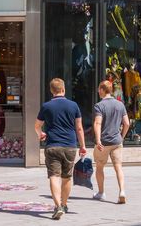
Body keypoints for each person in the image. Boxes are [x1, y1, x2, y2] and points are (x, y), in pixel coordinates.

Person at [35, 78, 86, 220]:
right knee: (67, 177)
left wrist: (41, 134)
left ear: (51, 91)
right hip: (70, 146)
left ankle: (57, 206)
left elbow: (37, 125)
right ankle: (64, 204)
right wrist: (82, 146)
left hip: (52, 145)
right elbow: (79, 128)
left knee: (54, 176)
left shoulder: (46, 106)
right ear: (63, 89)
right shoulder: (73, 105)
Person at [93, 80, 130, 204]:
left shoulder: (99, 105)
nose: (98, 91)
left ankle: (101, 192)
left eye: (99, 89)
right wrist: (122, 137)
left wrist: (98, 140)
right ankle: (122, 191)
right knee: (118, 167)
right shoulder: (120, 105)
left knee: (99, 167)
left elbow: (97, 123)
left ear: (103, 90)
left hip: (103, 143)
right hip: (116, 142)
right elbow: (127, 123)